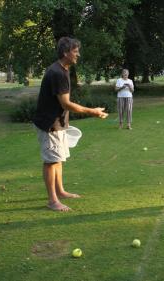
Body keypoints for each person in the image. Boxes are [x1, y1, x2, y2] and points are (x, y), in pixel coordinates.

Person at [33, 37, 108, 212]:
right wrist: (93, 111)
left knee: (58, 158)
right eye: (75, 51)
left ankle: (60, 191)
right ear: (66, 53)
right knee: (51, 161)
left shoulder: (62, 69)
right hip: (49, 124)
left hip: (56, 123)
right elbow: (66, 104)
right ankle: (52, 200)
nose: (78, 55)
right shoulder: (58, 73)